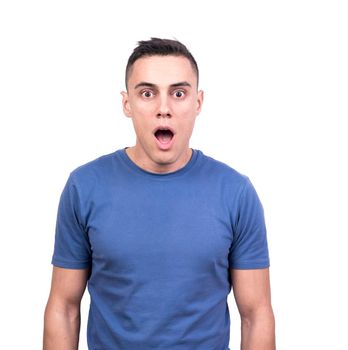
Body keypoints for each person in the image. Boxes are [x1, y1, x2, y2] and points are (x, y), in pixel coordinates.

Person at [43, 38, 275, 349]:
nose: (163, 109)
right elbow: (63, 307)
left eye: (178, 93)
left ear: (198, 102)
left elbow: (256, 314)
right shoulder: (84, 187)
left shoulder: (236, 192)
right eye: (147, 93)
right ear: (127, 104)